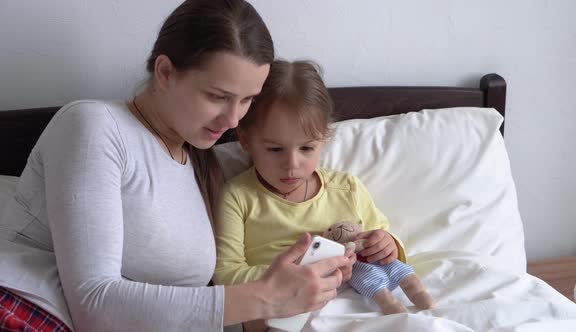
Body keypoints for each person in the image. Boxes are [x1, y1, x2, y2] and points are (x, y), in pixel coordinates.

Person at [0, 1, 348, 331]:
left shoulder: (204, 165)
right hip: (26, 311)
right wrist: (263, 298)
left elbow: (190, 310)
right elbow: (94, 304)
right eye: (218, 96)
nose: (232, 119)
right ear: (165, 72)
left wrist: (289, 298)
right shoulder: (94, 126)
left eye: (247, 100)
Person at [213, 60, 407, 328]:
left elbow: (383, 239)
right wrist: (296, 274)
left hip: (349, 305)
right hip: (280, 311)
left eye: (306, 148)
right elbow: (225, 275)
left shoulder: (346, 189)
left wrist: (387, 245)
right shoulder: (238, 197)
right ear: (245, 140)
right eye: (274, 149)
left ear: (323, 139)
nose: (292, 164)